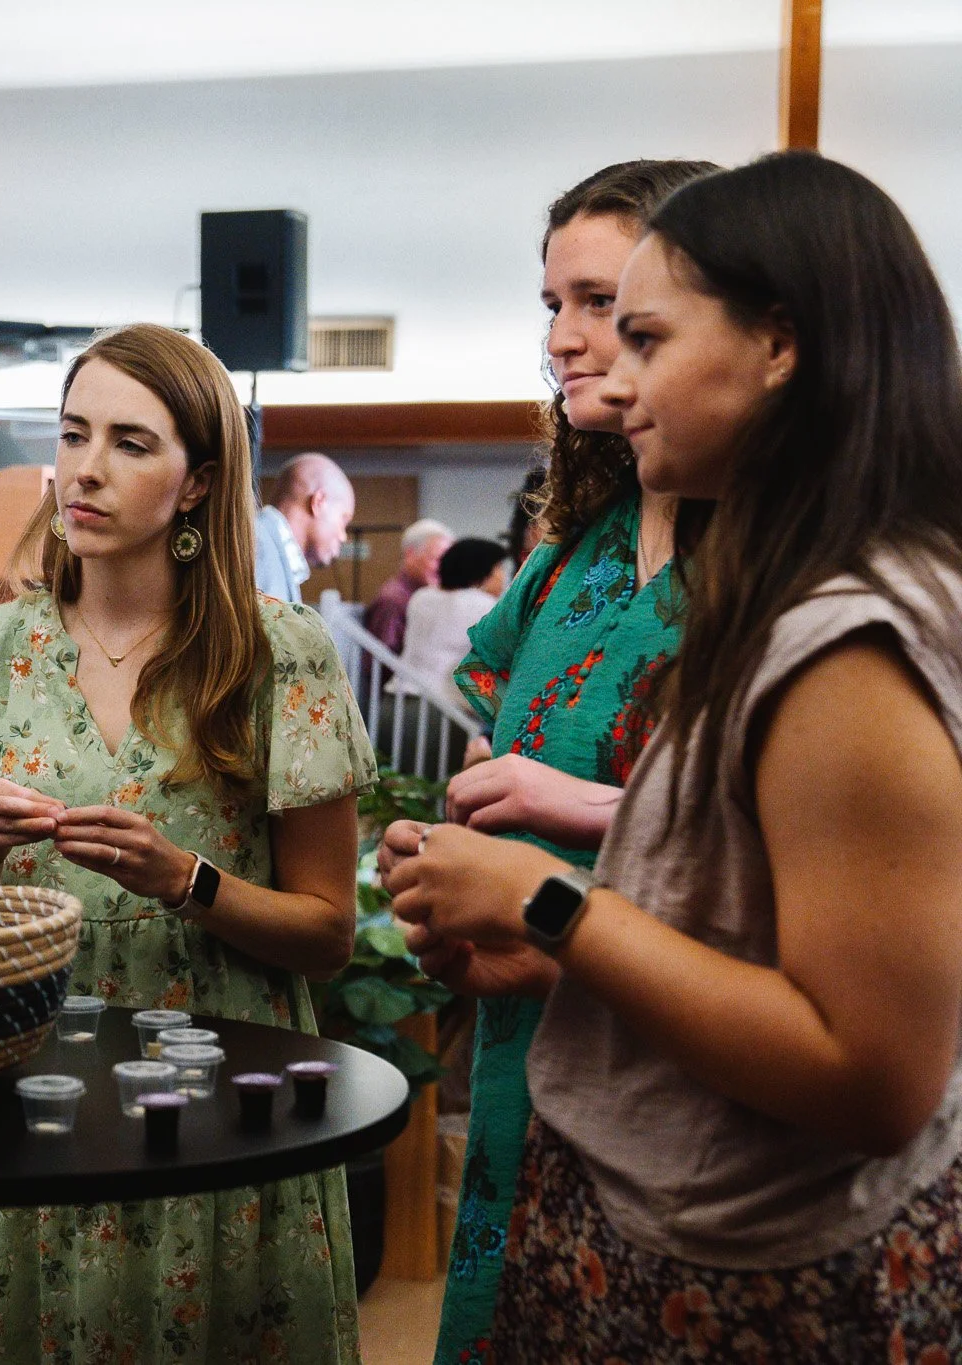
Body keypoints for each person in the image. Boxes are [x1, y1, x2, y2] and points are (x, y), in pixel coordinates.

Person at [390, 153, 962, 1358]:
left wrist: (546, 903)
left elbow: (868, 1074)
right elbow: (743, 920)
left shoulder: (839, 644)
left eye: (640, 333)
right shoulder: (786, 588)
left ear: (778, 346)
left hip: (754, 1267)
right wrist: (554, 964)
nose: (601, 369)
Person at [0, 323, 378, 1361]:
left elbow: (327, 933)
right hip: (26, 1098)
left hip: (214, 1100)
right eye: (73, 433)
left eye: (129, 442)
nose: (85, 467)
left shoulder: (275, 654)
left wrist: (187, 880)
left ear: (199, 482)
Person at [373, 158, 718, 1364]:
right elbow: (495, 766)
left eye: (606, 307)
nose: (567, 340)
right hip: (537, 1071)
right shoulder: (575, 551)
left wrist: (577, 810)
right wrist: (449, 875)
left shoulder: (787, 557)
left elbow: (836, 857)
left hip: (698, 1107)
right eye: (553, 307)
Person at [391, 536, 510, 703]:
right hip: (441, 706)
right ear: (482, 572)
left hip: (396, 697)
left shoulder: (421, 596)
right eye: (499, 568)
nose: (503, 577)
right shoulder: (484, 605)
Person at [253, 450, 355, 602]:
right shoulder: (256, 545)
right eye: (343, 520)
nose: (343, 536)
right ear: (319, 502)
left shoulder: (269, 550)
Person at [364, 517, 453, 651]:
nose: (443, 569)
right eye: (436, 559)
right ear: (410, 554)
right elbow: (381, 662)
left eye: (447, 562)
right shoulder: (393, 601)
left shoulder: (424, 597)